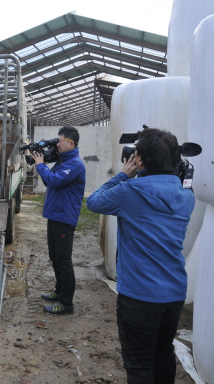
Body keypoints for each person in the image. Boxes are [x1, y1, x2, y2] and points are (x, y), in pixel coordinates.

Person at [86, 128, 194, 383]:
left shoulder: (130, 191)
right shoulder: (187, 195)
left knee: (138, 364)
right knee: (163, 353)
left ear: (140, 160)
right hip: (174, 293)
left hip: (139, 296)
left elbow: (94, 203)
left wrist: (123, 175)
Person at [32, 125, 86, 315]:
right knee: (55, 258)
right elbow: (50, 181)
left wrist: (40, 164)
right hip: (55, 216)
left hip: (64, 218)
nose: (57, 144)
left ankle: (66, 303)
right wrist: (45, 161)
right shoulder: (63, 161)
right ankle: (59, 291)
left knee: (64, 260)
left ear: (70, 143)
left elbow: (55, 181)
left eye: (60, 141)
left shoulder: (75, 165)